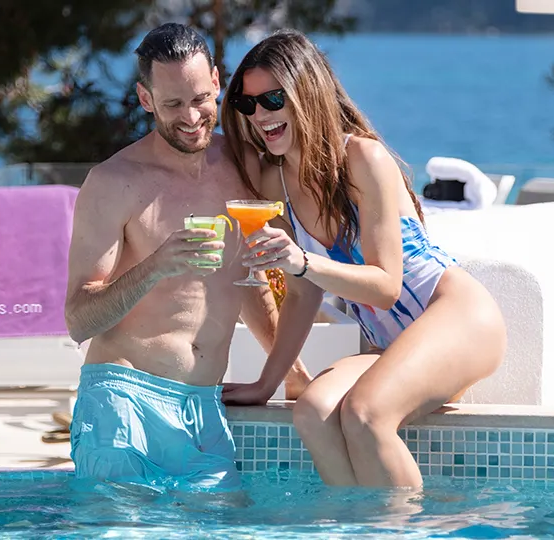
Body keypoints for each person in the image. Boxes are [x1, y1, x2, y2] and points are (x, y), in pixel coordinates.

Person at [219, 29, 508, 489]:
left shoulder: (362, 158)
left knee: (364, 414)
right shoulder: (279, 184)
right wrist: (266, 381)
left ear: (305, 92)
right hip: (392, 346)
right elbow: (300, 295)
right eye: (246, 104)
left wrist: (303, 262)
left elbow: (386, 285)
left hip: (457, 319)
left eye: (272, 99)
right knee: (313, 414)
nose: (259, 115)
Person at [63, 23, 312, 491]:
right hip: (123, 399)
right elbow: (79, 319)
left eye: (200, 98)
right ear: (145, 99)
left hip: (204, 407)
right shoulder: (113, 183)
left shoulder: (243, 167)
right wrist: (157, 265)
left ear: (217, 83)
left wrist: (292, 372)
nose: (192, 116)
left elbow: (246, 282)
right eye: (173, 104)